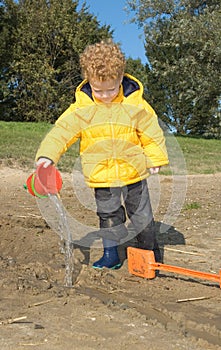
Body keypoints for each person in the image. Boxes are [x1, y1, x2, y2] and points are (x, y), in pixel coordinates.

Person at [35, 39, 169, 270]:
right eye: (99, 90)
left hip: (133, 172)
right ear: (88, 81)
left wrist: (155, 158)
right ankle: (111, 255)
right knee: (108, 216)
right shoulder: (81, 108)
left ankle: (149, 254)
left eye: (111, 89)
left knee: (142, 217)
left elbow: (151, 132)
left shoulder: (135, 103)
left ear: (121, 78)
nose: (105, 95)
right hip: (101, 174)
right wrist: (47, 156)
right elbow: (61, 132)